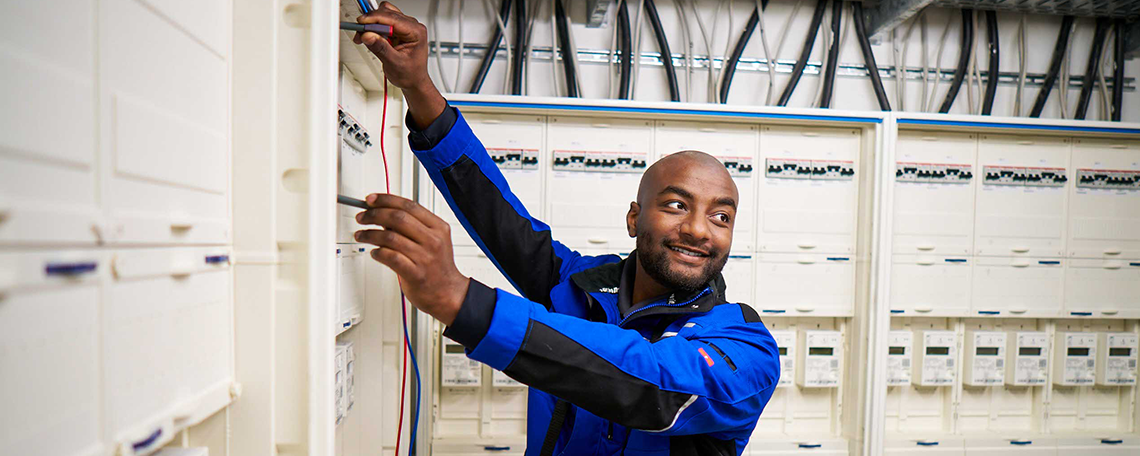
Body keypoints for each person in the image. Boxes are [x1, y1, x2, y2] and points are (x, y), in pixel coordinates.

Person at [350, 3, 780, 455]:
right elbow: (499, 217)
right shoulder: (576, 285)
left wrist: (461, 300)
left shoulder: (743, 345)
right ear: (634, 219)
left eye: (721, 216)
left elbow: (654, 386)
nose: (698, 229)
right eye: (676, 205)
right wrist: (418, 86)